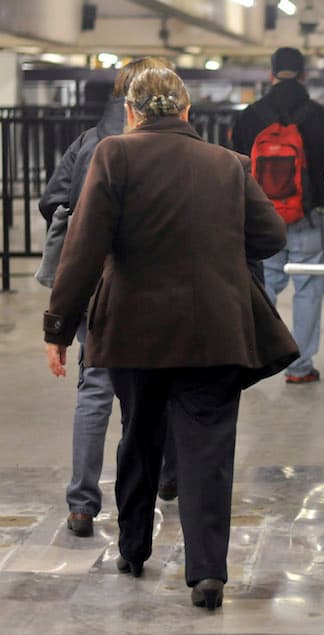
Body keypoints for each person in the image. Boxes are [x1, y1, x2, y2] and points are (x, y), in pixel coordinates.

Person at [43, 67, 296, 611]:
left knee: (139, 436)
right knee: (208, 448)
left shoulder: (114, 154)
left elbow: (83, 248)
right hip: (216, 330)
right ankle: (207, 574)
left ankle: (133, 550)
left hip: (135, 330)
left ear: (132, 113)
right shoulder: (228, 164)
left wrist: (60, 326)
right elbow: (271, 236)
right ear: (186, 113)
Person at [36, 56, 175, 538]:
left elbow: (51, 200)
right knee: (163, 385)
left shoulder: (89, 141)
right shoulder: (170, 143)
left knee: (94, 390)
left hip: (93, 282)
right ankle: (168, 479)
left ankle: (81, 504)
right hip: (152, 282)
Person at [232, 47, 324, 384]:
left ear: (271, 73)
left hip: (260, 217)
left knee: (262, 288)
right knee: (307, 289)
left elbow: (234, 168)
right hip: (306, 216)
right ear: (304, 75)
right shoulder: (320, 116)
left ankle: (256, 359)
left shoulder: (249, 115)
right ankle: (300, 368)